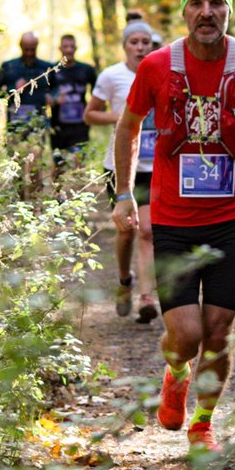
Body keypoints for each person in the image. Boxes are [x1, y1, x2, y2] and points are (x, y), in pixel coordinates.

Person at [111, 0, 235, 451]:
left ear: (228, 11)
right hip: (172, 219)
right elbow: (128, 126)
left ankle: (202, 424)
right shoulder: (158, 66)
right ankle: (175, 371)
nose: (207, 13)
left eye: (217, 3)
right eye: (197, 3)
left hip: (228, 218)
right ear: (184, 12)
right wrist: (124, 193)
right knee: (187, 336)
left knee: (218, 331)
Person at [84, 19, 159, 324]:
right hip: (120, 165)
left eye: (146, 42)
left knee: (148, 231)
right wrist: (122, 117)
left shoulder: (164, 72)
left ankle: (147, 297)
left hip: (154, 166)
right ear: (125, 46)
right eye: (134, 42)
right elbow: (90, 114)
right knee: (126, 231)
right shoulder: (111, 76)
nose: (140, 48)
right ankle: (125, 281)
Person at [0, 31, 55, 197]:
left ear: (37, 47)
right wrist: (13, 89)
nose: (29, 53)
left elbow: (57, 89)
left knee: (35, 165)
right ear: (20, 46)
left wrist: (52, 97)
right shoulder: (9, 67)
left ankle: (34, 204)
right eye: (26, 49)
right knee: (16, 166)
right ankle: (18, 202)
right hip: (15, 127)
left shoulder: (46, 67)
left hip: (37, 126)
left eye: (32, 49)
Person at [48, 34, 96, 174]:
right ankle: (58, 187)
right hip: (58, 126)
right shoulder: (52, 70)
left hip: (80, 125)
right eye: (65, 46)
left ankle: (79, 187)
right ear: (60, 48)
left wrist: (92, 110)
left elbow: (98, 93)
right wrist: (54, 99)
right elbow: (44, 94)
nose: (69, 50)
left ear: (76, 48)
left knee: (79, 162)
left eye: (71, 46)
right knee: (59, 163)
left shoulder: (86, 69)